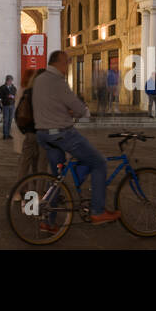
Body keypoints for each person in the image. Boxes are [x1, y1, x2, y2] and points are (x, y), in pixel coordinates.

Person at [33, 50, 120, 226]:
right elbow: (76, 105)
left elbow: (50, 105)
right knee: (99, 162)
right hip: (61, 133)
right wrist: (85, 112)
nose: (67, 67)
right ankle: (97, 211)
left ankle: (48, 222)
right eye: (66, 63)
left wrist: (64, 111)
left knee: (56, 178)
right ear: (58, 63)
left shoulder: (39, 79)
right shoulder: (57, 81)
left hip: (43, 133)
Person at [14, 70, 49, 178]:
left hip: (30, 133)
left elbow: (18, 113)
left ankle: (19, 191)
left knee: (25, 163)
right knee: (40, 165)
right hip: (42, 132)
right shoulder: (46, 94)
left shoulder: (28, 92)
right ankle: (37, 192)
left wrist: (25, 130)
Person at [0, 76, 17, 140]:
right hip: (5, 105)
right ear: (6, 81)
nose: (10, 82)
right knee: (6, 120)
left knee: (10, 120)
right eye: (9, 81)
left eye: (11, 81)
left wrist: (14, 97)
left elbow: (16, 95)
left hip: (12, 105)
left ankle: (8, 134)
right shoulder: (2, 87)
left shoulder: (13, 88)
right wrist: (7, 96)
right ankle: (5, 135)